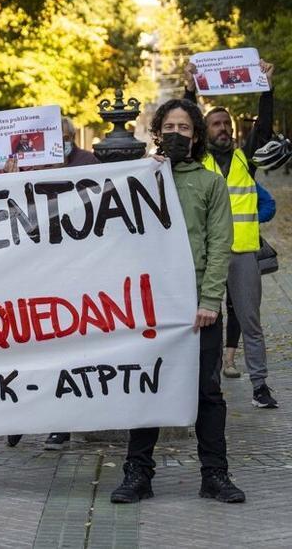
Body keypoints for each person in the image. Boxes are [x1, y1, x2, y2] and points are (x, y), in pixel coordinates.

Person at [110, 97, 244, 505]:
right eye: (169, 127)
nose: (176, 135)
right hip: (151, 305)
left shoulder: (210, 184)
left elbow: (220, 245)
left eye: (185, 128)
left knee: (207, 392)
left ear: (196, 135)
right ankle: (138, 474)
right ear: (157, 132)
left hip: (196, 308)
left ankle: (215, 475)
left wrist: (209, 301)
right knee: (148, 387)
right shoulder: (139, 179)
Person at [187, 60, 278, 409]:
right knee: (207, 322)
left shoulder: (245, 158)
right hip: (208, 256)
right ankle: (206, 389)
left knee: (250, 321)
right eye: (216, 124)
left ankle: (260, 387)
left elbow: (265, 130)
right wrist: (189, 90)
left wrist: (266, 88)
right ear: (204, 131)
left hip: (242, 254)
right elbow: (185, 125)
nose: (223, 128)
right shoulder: (199, 163)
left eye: (226, 123)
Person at [225, 181, 276, 378]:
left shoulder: (244, 178)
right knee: (212, 312)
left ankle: (229, 359)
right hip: (213, 251)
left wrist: (251, 221)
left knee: (236, 309)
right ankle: (216, 364)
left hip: (240, 252)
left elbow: (269, 205)